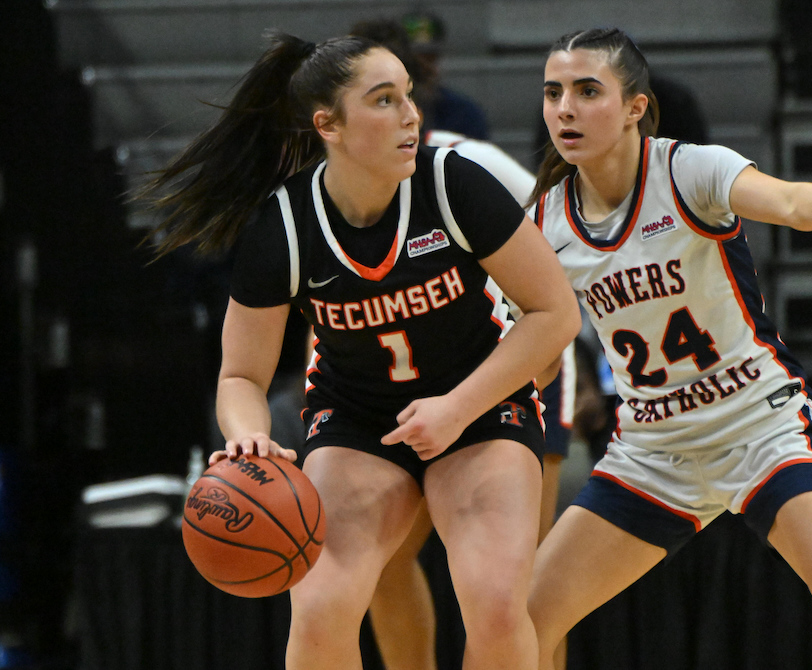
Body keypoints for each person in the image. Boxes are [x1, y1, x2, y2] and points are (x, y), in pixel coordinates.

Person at [138, 31, 579, 670]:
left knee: (495, 602)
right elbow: (240, 375)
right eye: (383, 100)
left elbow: (554, 313)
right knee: (319, 608)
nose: (410, 114)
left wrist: (456, 408)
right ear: (330, 125)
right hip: (358, 421)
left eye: (408, 95)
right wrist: (247, 438)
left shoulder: (453, 185)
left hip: (481, 408)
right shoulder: (285, 226)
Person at [525, 28, 812, 670]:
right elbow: (514, 324)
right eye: (554, 92)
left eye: (587, 91)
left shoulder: (690, 170)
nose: (565, 109)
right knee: (524, 621)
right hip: (653, 451)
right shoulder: (546, 220)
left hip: (758, 427)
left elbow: (789, 203)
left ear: (636, 106)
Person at [345, 18, 576, 670]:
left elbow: (563, 235)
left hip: (517, 356)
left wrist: (556, 341)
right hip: (415, 378)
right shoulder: (330, 192)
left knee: (519, 584)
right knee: (383, 563)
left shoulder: (464, 162)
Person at [400, 9, 491, 139]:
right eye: (414, 61)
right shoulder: (384, 114)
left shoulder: (464, 113)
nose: (423, 69)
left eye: (429, 58)